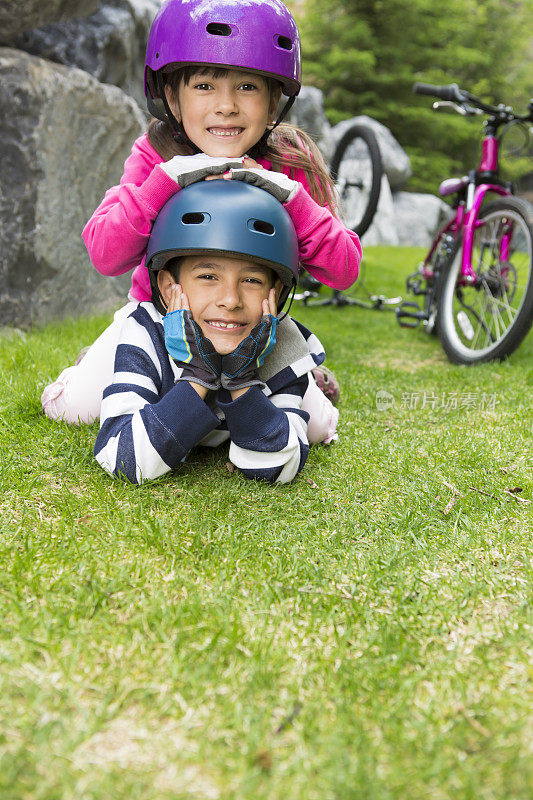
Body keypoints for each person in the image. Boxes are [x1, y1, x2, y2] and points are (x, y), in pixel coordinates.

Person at [42, 0, 361, 442]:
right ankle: (91, 363)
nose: (226, 106)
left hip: (252, 330)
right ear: (173, 96)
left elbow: (345, 269)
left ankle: (299, 373)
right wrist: (161, 184)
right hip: (159, 324)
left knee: (320, 427)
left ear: (273, 103)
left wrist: (291, 197)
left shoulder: (289, 163)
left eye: (247, 86)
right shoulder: (155, 153)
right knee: (74, 410)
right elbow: (104, 253)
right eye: (205, 85)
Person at [95, 179, 325, 484]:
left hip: (272, 372)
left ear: (276, 291)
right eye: (207, 276)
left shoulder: (281, 340)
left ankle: (318, 381)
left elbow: (276, 470)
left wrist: (242, 378)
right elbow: (125, 459)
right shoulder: (145, 331)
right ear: (167, 287)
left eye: (252, 281)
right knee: (72, 408)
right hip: (144, 346)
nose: (230, 300)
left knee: (320, 426)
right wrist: (199, 375)